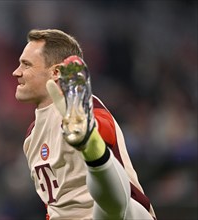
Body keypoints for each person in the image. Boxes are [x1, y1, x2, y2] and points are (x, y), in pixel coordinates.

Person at [12, 29, 156, 220]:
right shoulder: (31, 137)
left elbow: (106, 130)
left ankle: (89, 140)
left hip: (119, 214)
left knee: (113, 209)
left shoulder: (85, 105)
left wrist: (90, 127)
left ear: (56, 72)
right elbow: (52, 203)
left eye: (26, 65)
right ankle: (89, 143)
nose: (16, 72)